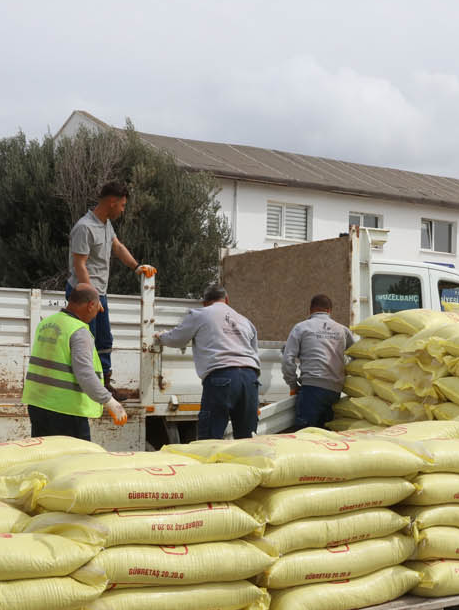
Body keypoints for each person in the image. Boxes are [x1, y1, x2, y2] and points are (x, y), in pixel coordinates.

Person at [68, 180, 155, 388]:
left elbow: (118, 247)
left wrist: (137, 267)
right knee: (85, 341)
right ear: (112, 202)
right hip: (83, 293)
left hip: (99, 293)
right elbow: (79, 265)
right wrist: (91, 297)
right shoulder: (84, 227)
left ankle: (105, 385)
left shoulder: (106, 224)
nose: (123, 210)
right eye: (122, 205)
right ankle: (85, 388)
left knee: (104, 340)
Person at [154, 283, 261, 440]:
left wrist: (161, 336)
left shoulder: (200, 314)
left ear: (205, 302)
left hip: (222, 377)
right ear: (227, 300)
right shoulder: (245, 321)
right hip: (250, 378)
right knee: (247, 439)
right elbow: (254, 352)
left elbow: (177, 339)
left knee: (210, 438)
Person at [22, 285, 128, 440]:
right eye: (97, 308)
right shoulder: (78, 331)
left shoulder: (46, 323)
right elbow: (85, 374)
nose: (97, 313)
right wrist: (110, 401)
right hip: (65, 409)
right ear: (90, 305)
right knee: (78, 455)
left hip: (38, 404)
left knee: (46, 454)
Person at [282, 293, 356, 430]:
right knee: (325, 435)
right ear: (329, 311)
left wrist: (293, 384)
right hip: (334, 392)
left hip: (311, 389)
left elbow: (288, 359)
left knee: (305, 434)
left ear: (310, 310)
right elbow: (356, 355)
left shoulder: (301, 327)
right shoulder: (342, 330)